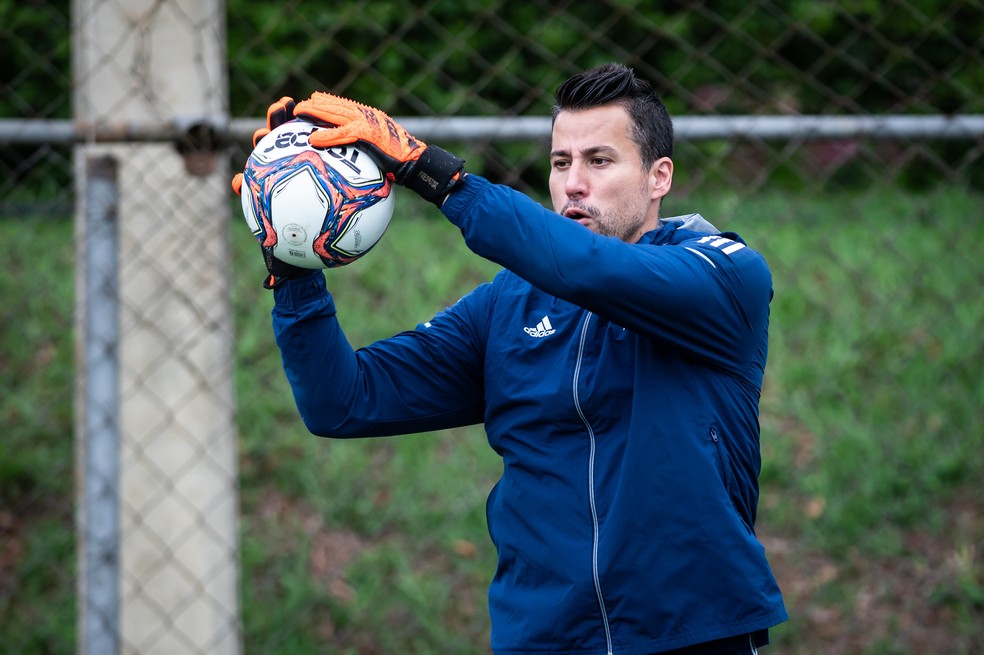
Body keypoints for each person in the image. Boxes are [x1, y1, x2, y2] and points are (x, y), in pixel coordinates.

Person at [235, 63, 787, 655]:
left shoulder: (723, 276)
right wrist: (293, 261)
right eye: (560, 163)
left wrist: (433, 174)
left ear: (659, 177)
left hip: (692, 635)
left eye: (599, 161)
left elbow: (586, 269)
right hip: (544, 639)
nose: (574, 184)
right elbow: (341, 402)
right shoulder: (508, 306)